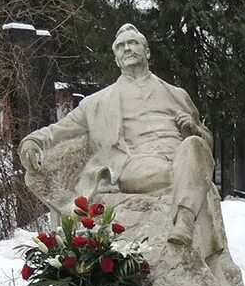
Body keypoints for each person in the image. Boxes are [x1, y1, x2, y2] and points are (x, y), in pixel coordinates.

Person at [19, 24, 216, 248]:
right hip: (137, 165)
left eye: (133, 43)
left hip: (181, 157)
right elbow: (60, 129)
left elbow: (205, 147)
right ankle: (186, 219)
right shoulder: (97, 102)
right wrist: (32, 141)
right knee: (189, 168)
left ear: (147, 52)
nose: (127, 49)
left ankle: (184, 222)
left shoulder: (177, 94)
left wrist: (195, 129)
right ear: (116, 60)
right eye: (121, 46)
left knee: (193, 145)